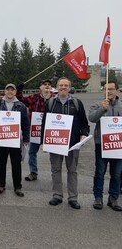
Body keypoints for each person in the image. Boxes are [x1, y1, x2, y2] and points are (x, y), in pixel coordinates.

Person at [41, 77, 89, 209]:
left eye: (66, 85)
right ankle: (57, 195)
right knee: (56, 170)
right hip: (55, 143)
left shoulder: (76, 103)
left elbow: (84, 123)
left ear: (69, 87)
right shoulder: (50, 103)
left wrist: (83, 135)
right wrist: (42, 142)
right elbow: (44, 123)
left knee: (72, 171)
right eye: (61, 85)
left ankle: (73, 197)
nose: (63, 87)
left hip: (72, 144)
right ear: (57, 87)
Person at [0, 83, 30, 197]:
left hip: (16, 140)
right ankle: (1, 185)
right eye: (8, 90)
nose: (10, 92)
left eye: (12, 90)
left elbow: (26, 123)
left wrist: (26, 138)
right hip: (1, 140)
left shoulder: (21, 106)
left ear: (15, 92)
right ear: (5, 91)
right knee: (1, 163)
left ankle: (18, 187)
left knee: (16, 164)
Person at [88, 81, 122, 211]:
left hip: (118, 146)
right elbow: (92, 119)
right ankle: (98, 198)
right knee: (100, 172)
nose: (109, 91)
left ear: (117, 91)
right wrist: (102, 109)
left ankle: (113, 199)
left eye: (112, 89)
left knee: (117, 174)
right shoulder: (97, 105)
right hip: (101, 144)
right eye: (106, 89)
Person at [16, 79, 54, 181]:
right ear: (40, 87)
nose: (47, 86)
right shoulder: (34, 98)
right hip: (35, 130)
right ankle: (33, 172)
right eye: (44, 84)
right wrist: (19, 90)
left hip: (50, 130)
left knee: (54, 154)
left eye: (48, 85)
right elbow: (21, 100)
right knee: (32, 152)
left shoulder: (54, 98)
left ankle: (55, 173)